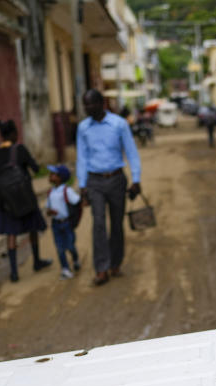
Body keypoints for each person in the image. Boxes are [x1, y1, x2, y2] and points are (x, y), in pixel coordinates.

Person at [76, 88, 142, 286]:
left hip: (116, 180)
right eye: (84, 104)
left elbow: (131, 152)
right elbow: (82, 157)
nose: (87, 108)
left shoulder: (119, 124)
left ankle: (115, 263)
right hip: (94, 181)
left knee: (116, 224)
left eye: (91, 104)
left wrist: (136, 180)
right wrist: (82, 185)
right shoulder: (83, 128)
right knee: (98, 224)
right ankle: (101, 269)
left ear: (101, 103)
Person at [0, 119, 51, 282]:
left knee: (11, 233)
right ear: (13, 134)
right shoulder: (20, 149)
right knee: (32, 228)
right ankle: (37, 261)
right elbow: (36, 169)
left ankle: (14, 272)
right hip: (25, 197)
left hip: (6, 199)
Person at [43, 164, 81, 280]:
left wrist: (74, 219)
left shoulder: (67, 191)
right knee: (59, 248)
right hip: (56, 224)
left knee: (70, 246)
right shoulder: (50, 192)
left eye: (53, 175)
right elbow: (47, 208)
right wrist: (50, 212)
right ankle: (65, 269)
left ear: (60, 177)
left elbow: (77, 202)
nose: (50, 176)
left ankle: (75, 259)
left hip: (67, 224)